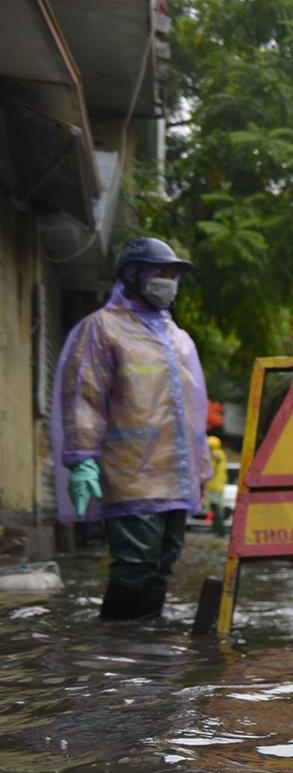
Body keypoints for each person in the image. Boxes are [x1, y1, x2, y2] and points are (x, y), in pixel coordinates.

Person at [51, 237, 212, 621]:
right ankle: (115, 643)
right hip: (128, 471)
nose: (169, 281)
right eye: (162, 272)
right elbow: (83, 397)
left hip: (176, 475)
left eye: (174, 275)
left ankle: (143, 643)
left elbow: (193, 412)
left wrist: (201, 469)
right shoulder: (102, 329)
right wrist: (82, 458)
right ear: (135, 275)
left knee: (163, 565)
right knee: (135, 562)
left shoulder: (179, 339)